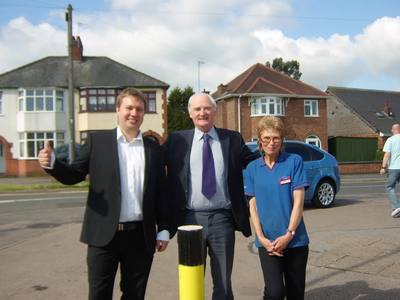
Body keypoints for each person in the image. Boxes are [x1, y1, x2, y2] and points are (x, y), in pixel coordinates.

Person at [38, 87, 170, 300]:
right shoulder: (97, 142)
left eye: (139, 109)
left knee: (135, 295)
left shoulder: (154, 149)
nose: (133, 114)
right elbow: (74, 174)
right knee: (99, 294)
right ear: (118, 109)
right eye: (129, 108)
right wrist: (53, 164)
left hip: (140, 237)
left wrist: (164, 229)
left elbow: (161, 193)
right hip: (103, 236)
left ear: (144, 113)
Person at [163, 92, 258, 300]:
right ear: (190, 113)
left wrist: (280, 157)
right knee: (191, 283)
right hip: (189, 221)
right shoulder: (177, 140)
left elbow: (257, 164)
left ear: (215, 111)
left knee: (223, 284)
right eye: (197, 109)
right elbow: (153, 165)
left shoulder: (232, 139)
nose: (202, 113)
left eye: (207, 108)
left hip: (222, 220)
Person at [244, 116, 309, 300]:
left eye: (276, 138)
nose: (271, 143)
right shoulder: (252, 168)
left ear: (282, 139)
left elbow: (298, 203)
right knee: (275, 293)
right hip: (268, 243)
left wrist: (289, 234)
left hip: (295, 240)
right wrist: (261, 238)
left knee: (296, 294)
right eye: (266, 138)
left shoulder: (294, 161)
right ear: (259, 140)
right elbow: (253, 207)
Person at [380, 123, 400, 218]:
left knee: (389, 186)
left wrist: (383, 167)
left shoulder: (390, 140)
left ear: (392, 130)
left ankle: (396, 207)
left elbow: (387, 154)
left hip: (394, 168)